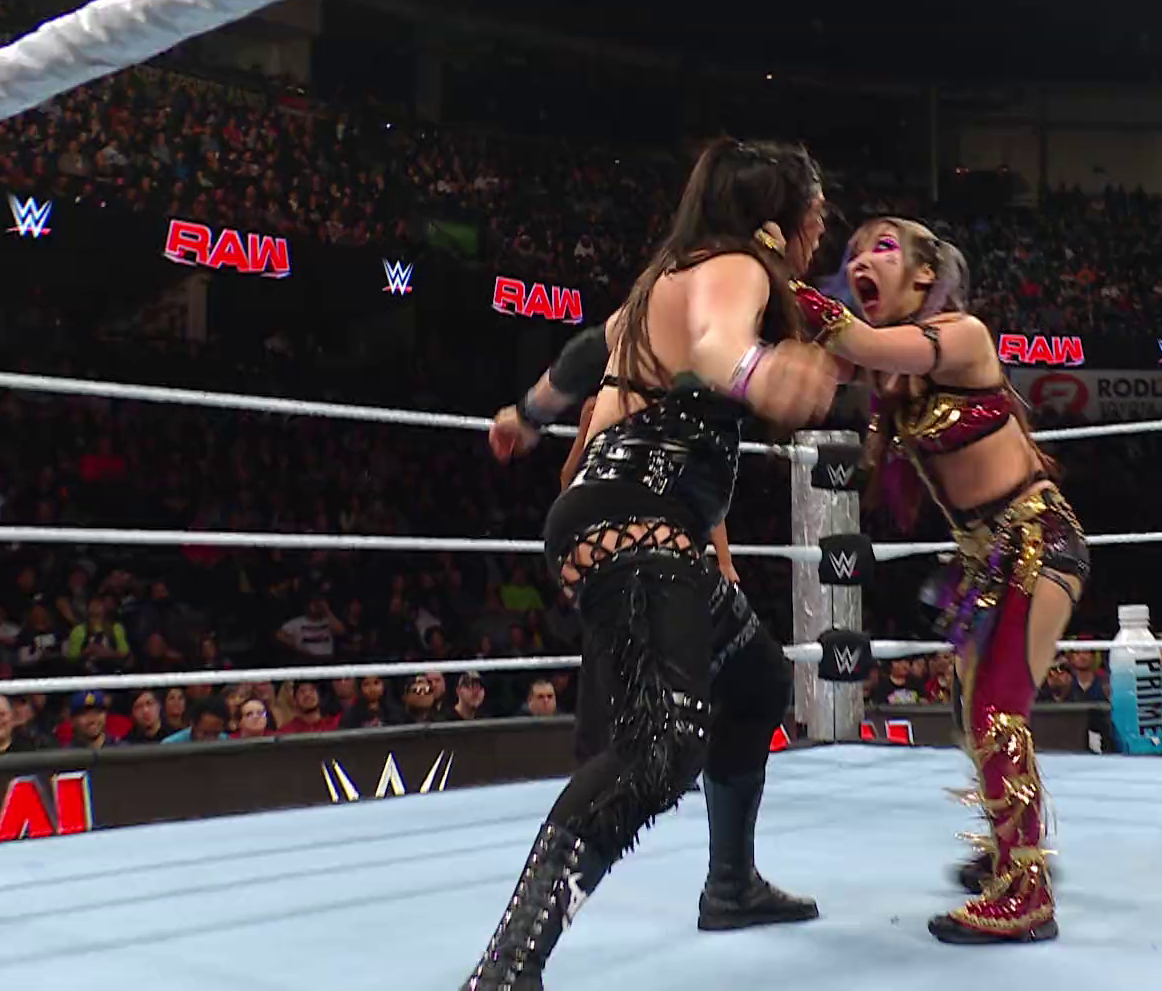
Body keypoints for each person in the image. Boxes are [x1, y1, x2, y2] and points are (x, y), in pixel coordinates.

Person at [466, 138, 839, 990]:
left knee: (756, 680)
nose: (822, 231)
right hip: (636, 523)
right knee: (661, 741)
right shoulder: (736, 268)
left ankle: (731, 884)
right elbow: (715, 348)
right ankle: (510, 966)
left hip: (634, 524)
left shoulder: (664, 280)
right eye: (816, 215)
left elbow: (584, 353)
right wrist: (762, 371)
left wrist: (526, 414)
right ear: (777, 221)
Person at [786, 215, 1088, 946]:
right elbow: (829, 366)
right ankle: (1009, 848)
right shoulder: (892, 375)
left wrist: (777, 273)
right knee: (970, 708)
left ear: (925, 275)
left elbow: (854, 341)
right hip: (986, 558)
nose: (862, 261)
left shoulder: (962, 336)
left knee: (996, 710)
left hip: (1038, 541)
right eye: (853, 254)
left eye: (883, 248)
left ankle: (1026, 895)